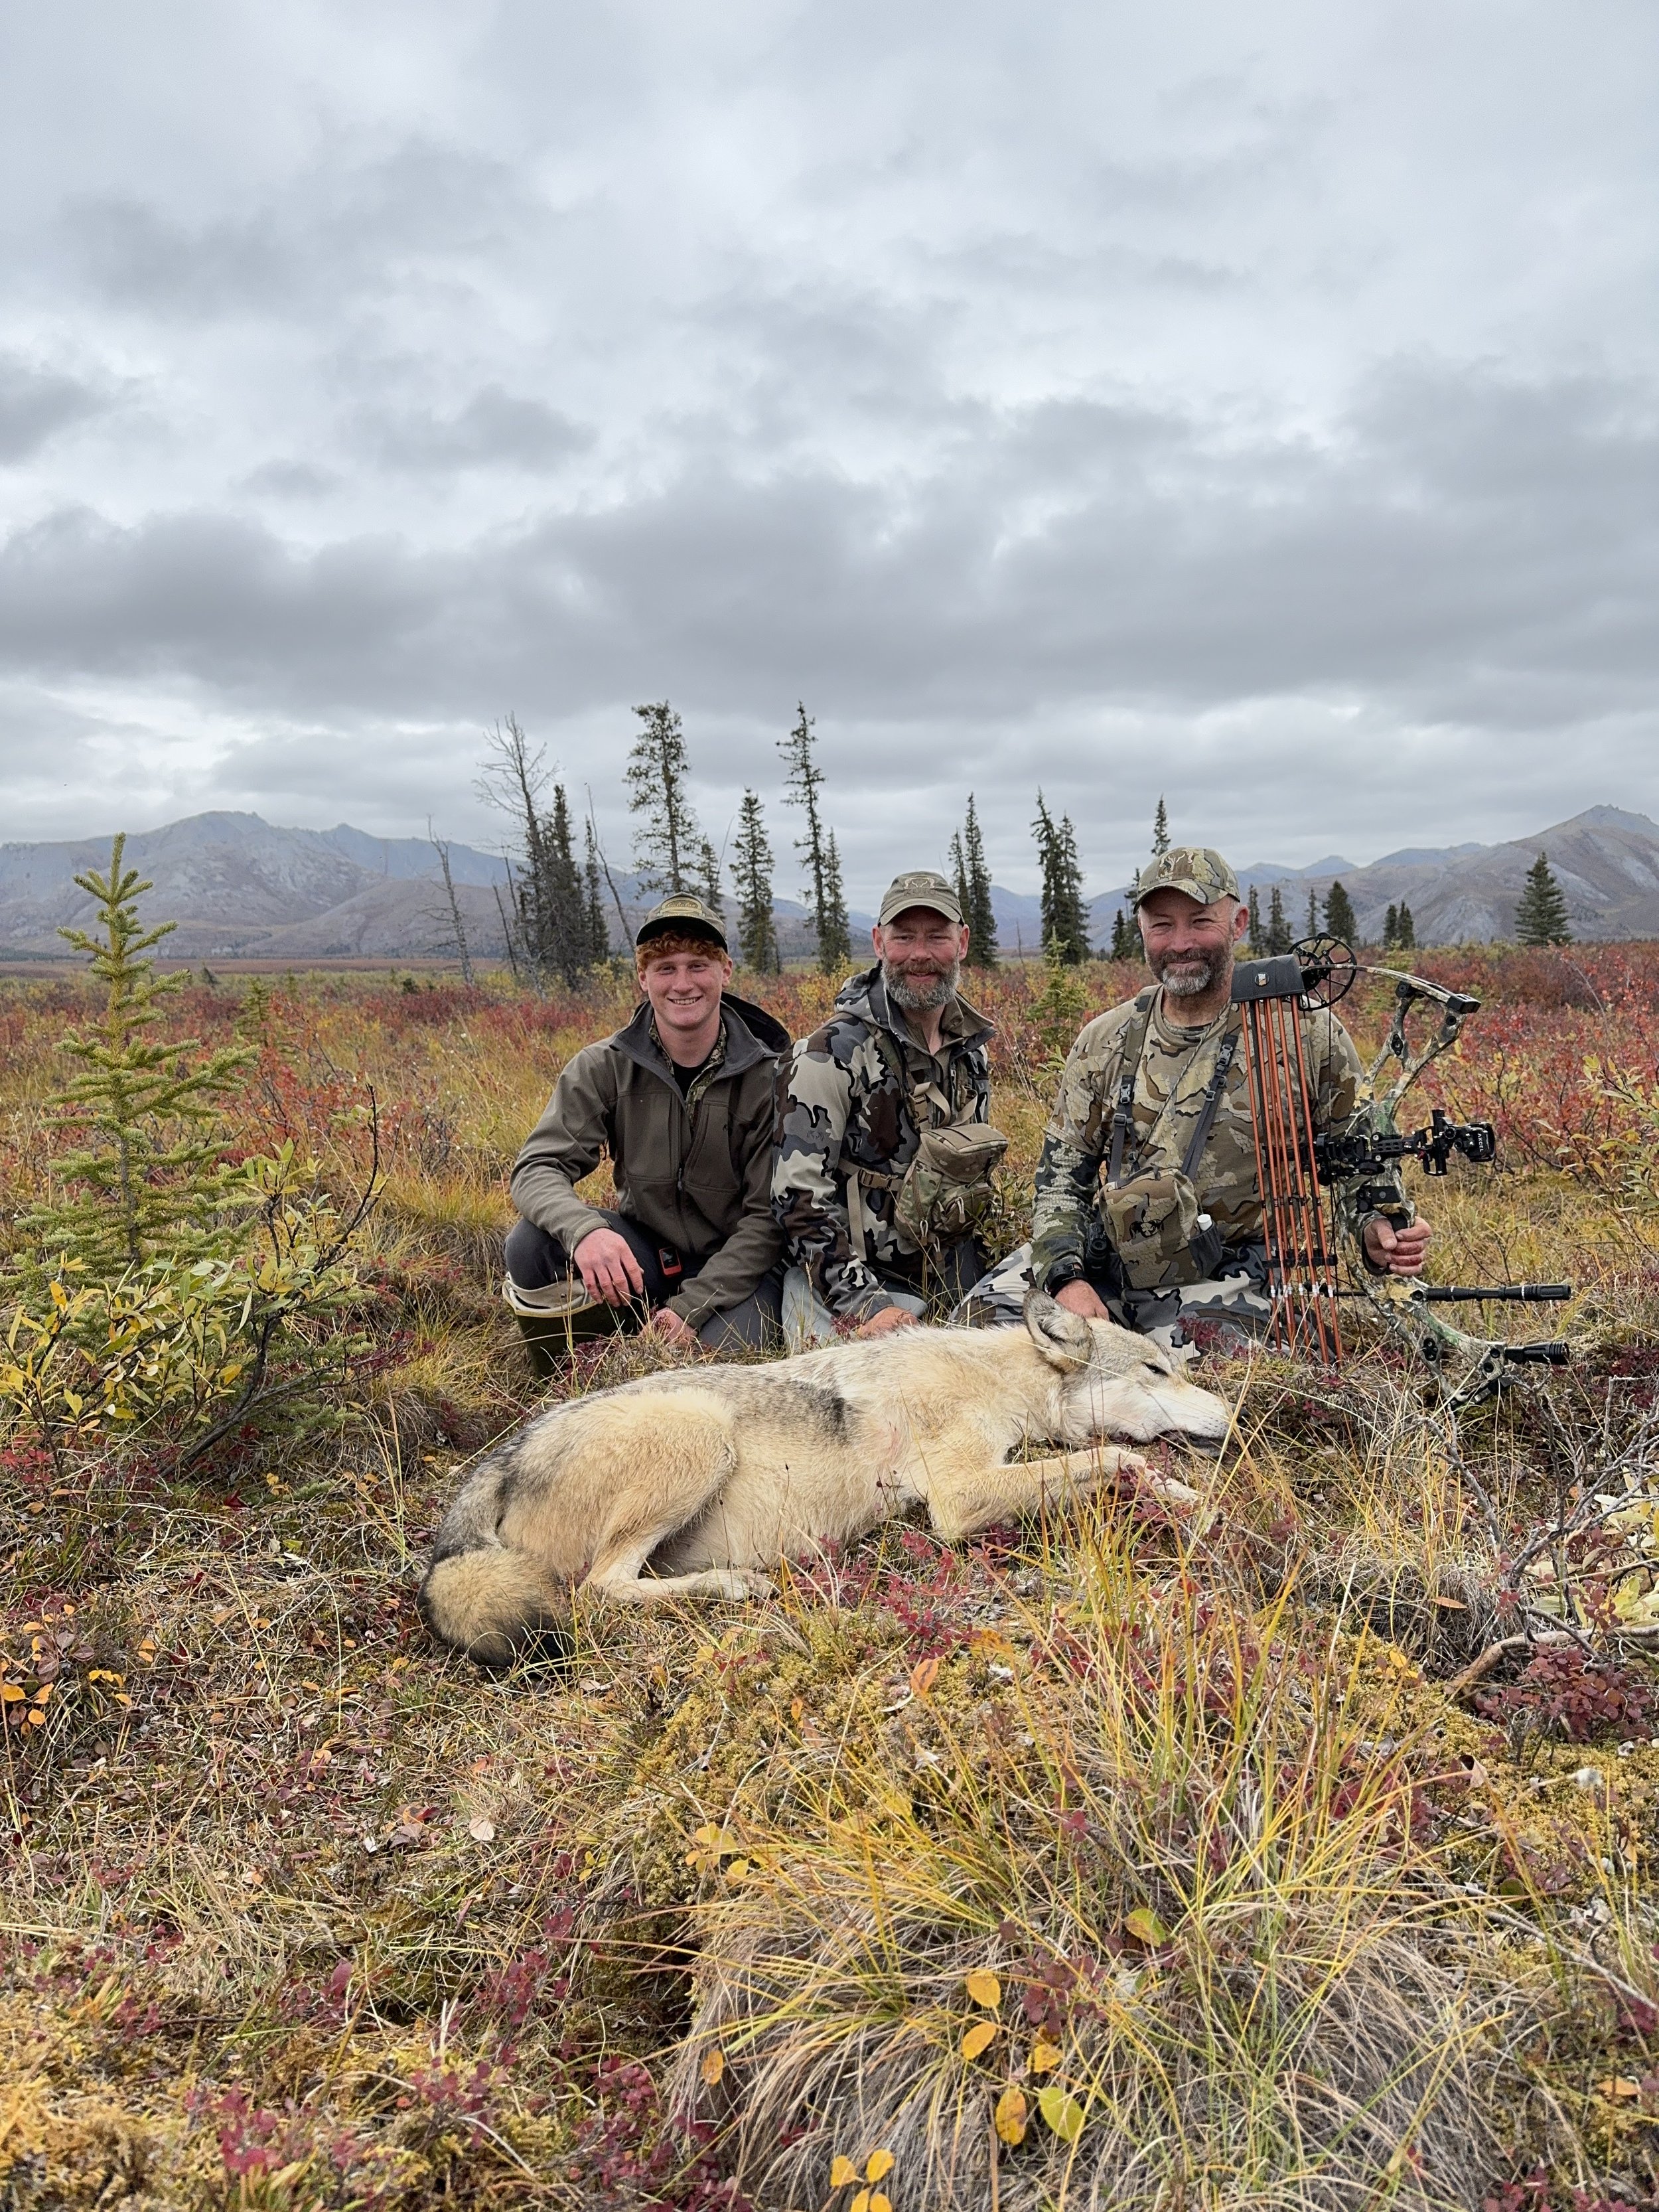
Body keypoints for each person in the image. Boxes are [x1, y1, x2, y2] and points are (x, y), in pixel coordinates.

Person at [1001, 846, 1431, 1353]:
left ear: (1238, 921)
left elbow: (1362, 1160)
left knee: (1184, 1377)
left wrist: (1377, 1229)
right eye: (1162, 925)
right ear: (1141, 928)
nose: (1181, 943)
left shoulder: (1306, 1030)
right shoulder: (1106, 1039)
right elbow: (1060, 1181)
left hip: (1242, 1274)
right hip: (1114, 1260)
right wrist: (1065, 1279)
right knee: (986, 1323)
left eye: (1200, 921)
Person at [503, 893, 788, 1372]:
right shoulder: (603, 1067)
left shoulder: (771, 1076)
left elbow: (765, 1222)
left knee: (711, 1376)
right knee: (530, 1246)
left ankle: (661, 1353)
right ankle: (565, 1385)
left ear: (726, 972)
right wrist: (585, 1232)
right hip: (647, 1258)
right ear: (643, 978)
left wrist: (688, 1309)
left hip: (740, 1271)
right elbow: (536, 1168)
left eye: (698, 966)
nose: (682, 984)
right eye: (665, 968)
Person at [772, 869, 1005, 1347]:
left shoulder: (972, 1050)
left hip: (947, 1266)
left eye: (937, 937)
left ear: (962, 943)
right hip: (849, 1282)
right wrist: (869, 1306)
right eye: (904, 937)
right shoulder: (828, 1053)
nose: (921, 954)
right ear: (879, 942)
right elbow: (797, 1201)